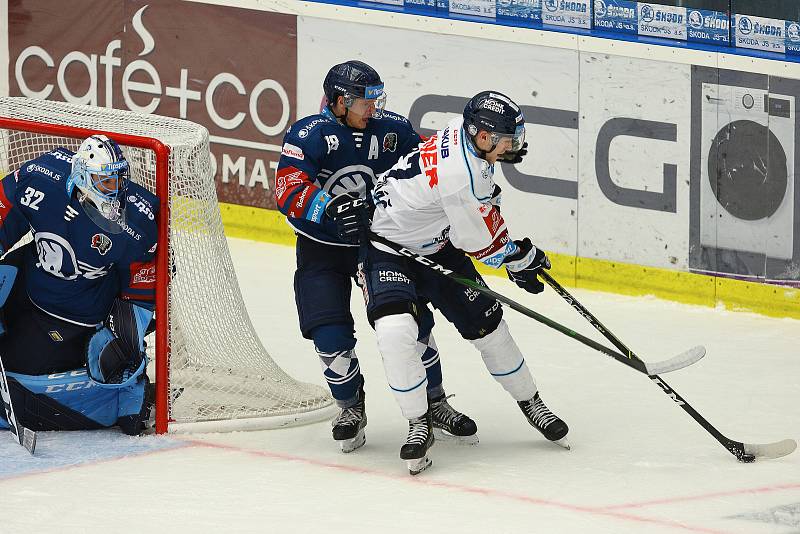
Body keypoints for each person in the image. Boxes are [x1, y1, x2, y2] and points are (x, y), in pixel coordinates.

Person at [358, 91, 570, 475]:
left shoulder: (464, 136)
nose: (514, 145)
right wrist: (521, 258)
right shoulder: (461, 176)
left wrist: (511, 251)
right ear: (483, 136)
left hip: (438, 243)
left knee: (488, 327)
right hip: (388, 250)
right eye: (508, 139)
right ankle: (418, 422)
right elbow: (481, 244)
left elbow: (477, 215)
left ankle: (531, 402)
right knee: (395, 333)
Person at [275, 60, 477, 453]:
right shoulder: (308, 134)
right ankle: (350, 407)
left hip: (382, 246)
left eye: (375, 98)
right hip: (322, 248)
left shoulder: (394, 129)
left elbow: (428, 170)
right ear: (338, 101)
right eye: (364, 101)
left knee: (410, 323)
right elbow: (286, 188)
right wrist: (329, 207)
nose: (373, 107)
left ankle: (434, 402)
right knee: (328, 332)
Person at [0, 135, 157, 436]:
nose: (117, 191)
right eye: (106, 182)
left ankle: (129, 395)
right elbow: (5, 209)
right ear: (83, 178)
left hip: (75, 314)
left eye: (120, 180)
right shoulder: (42, 176)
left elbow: (145, 287)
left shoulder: (138, 221)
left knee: (19, 372)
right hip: (25, 279)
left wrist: (127, 334)